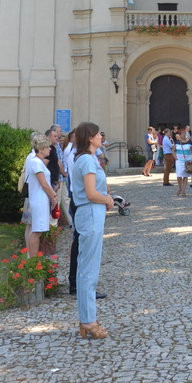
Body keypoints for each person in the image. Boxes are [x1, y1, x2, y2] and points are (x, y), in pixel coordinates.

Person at [71, 122, 114, 340]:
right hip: (90, 212)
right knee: (89, 269)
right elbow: (90, 192)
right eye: (98, 134)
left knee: (86, 267)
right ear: (90, 138)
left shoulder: (85, 159)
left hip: (90, 213)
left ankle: (86, 318)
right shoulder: (87, 160)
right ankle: (88, 320)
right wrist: (108, 199)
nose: (101, 137)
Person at [24, 133, 58, 257]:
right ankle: (33, 259)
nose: (50, 149)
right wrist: (53, 196)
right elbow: (43, 183)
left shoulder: (37, 161)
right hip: (39, 199)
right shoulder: (36, 162)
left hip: (40, 198)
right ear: (41, 148)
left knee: (37, 229)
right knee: (37, 231)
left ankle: (33, 258)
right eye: (47, 147)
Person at [174, 129, 192, 197]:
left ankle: (183, 190)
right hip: (179, 161)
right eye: (182, 133)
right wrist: (175, 157)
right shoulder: (177, 142)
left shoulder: (189, 142)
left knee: (185, 176)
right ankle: (180, 188)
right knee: (179, 175)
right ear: (180, 135)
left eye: (184, 133)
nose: (184, 134)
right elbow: (173, 150)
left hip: (188, 161)